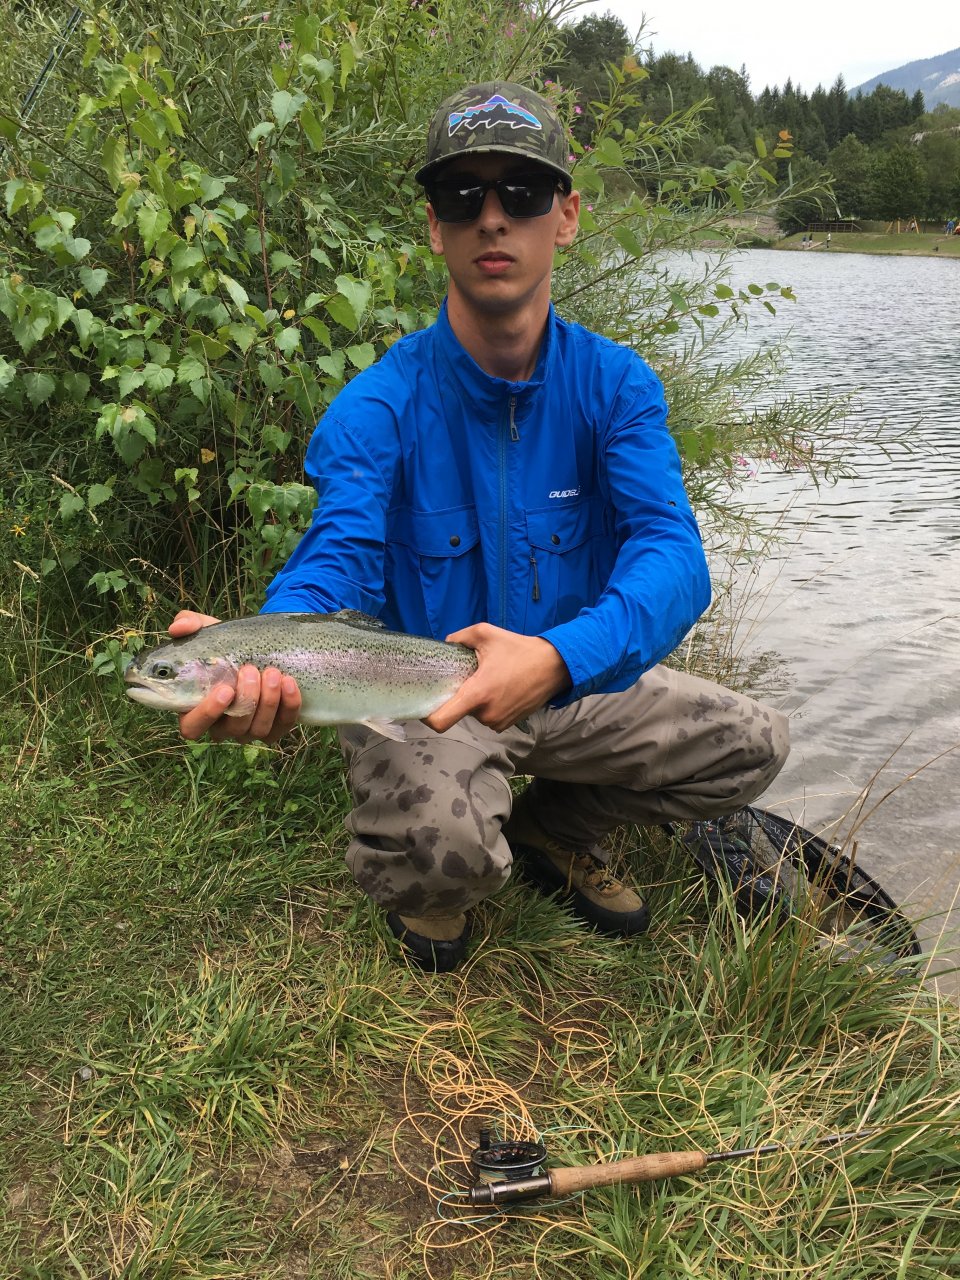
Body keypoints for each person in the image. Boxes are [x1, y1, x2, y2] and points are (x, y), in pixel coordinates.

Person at [170, 82, 789, 972]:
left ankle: (549, 834)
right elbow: (332, 563)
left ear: (566, 216)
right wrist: (264, 649)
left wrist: (561, 657)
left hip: (572, 679)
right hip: (425, 699)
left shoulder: (616, 388)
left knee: (752, 744)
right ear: (435, 227)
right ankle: (434, 887)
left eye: (522, 195)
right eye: (464, 197)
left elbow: (673, 557)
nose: (492, 219)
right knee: (445, 859)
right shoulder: (377, 407)